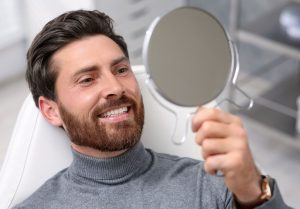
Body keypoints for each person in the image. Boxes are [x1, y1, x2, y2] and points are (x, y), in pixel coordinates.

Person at [13, 9, 292, 209]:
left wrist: (255, 193)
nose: (116, 87)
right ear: (51, 111)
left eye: (121, 69)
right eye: (87, 79)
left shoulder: (211, 186)